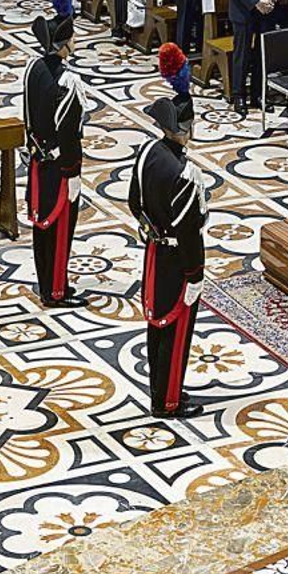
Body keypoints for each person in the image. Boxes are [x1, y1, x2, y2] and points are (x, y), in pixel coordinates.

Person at [127, 95, 208, 419]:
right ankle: (168, 401)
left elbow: (135, 202)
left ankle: (158, 389)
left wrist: (151, 230)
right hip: (178, 261)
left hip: (154, 252)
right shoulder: (186, 173)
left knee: (156, 325)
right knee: (175, 332)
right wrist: (195, 273)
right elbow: (189, 232)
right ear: (187, 129)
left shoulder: (148, 151)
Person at [23, 0, 87, 307]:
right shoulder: (68, 82)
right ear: (64, 45)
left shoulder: (32, 68)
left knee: (41, 228)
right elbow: (70, 133)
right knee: (60, 230)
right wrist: (73, 172)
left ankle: (45, 282)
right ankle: (55, 291)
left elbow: (27, 117)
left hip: (38, 161)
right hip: (60, 168)